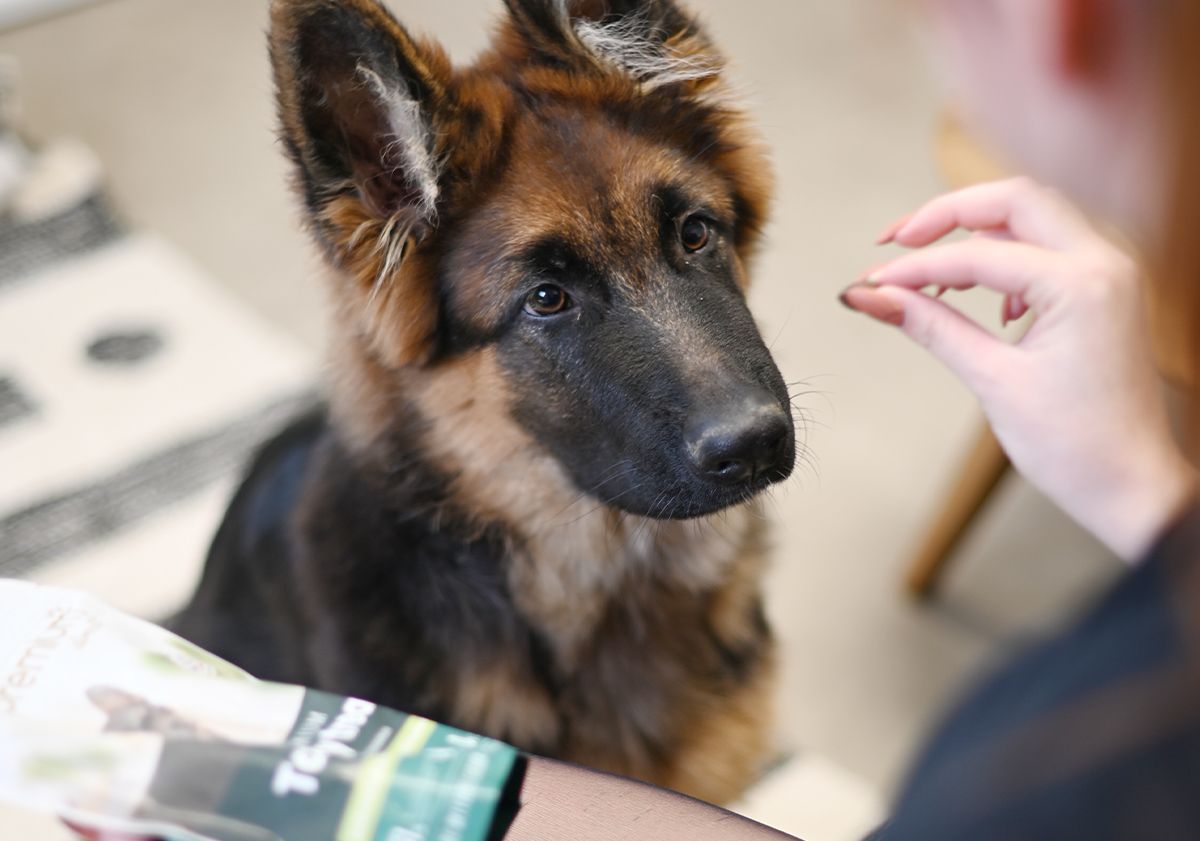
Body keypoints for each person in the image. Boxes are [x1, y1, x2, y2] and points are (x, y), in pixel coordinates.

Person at [78, 0, 1200, 838]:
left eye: (695, 236)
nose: (735, 409)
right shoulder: (360, 653)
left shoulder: (1067, 755)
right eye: (550, 299)